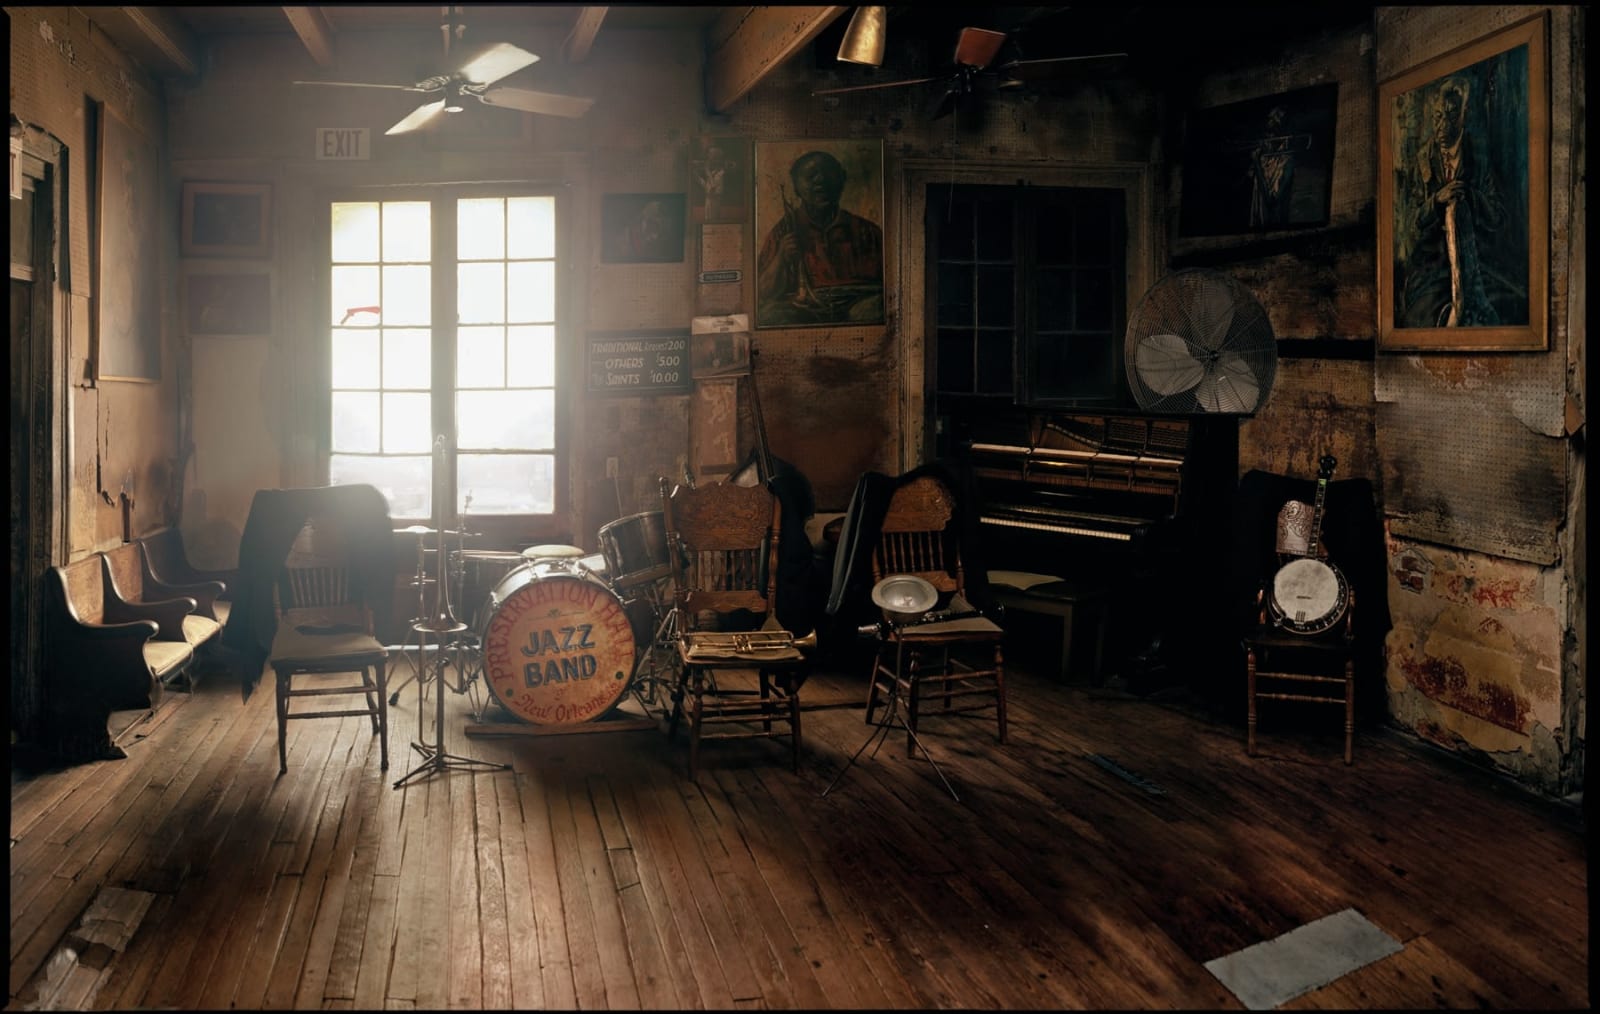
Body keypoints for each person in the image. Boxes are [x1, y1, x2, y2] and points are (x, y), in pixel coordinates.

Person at [1397, 74, 1508, 328]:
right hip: (1434, 267)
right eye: (1437, 117)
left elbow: (1499, 216)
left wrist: (1471, 196)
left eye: (1451, 115)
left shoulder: (1479, 156)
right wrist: (1437, 200)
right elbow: (1411, 223)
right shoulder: (1423, 159)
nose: (1442, 125)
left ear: (1464, 115)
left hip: (1478, 263)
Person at [756, 150, 884, 327]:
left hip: (859, 308)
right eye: (810, 176)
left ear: (842, 179)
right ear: (796, 187)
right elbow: (762, 292)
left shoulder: (867, 231)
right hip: (803, 311)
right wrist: (781, 256)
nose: (820, 180)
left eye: (828, 173)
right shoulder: (783, 232)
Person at [1247, 105, 1312, 228]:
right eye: (1266, 134)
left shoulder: (1287, 162)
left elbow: (1271, 202)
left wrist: (1256, 164)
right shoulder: (1264, 158)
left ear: (1280, 135)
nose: (1265, 139)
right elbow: (1249, 178)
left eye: (1271, 133)